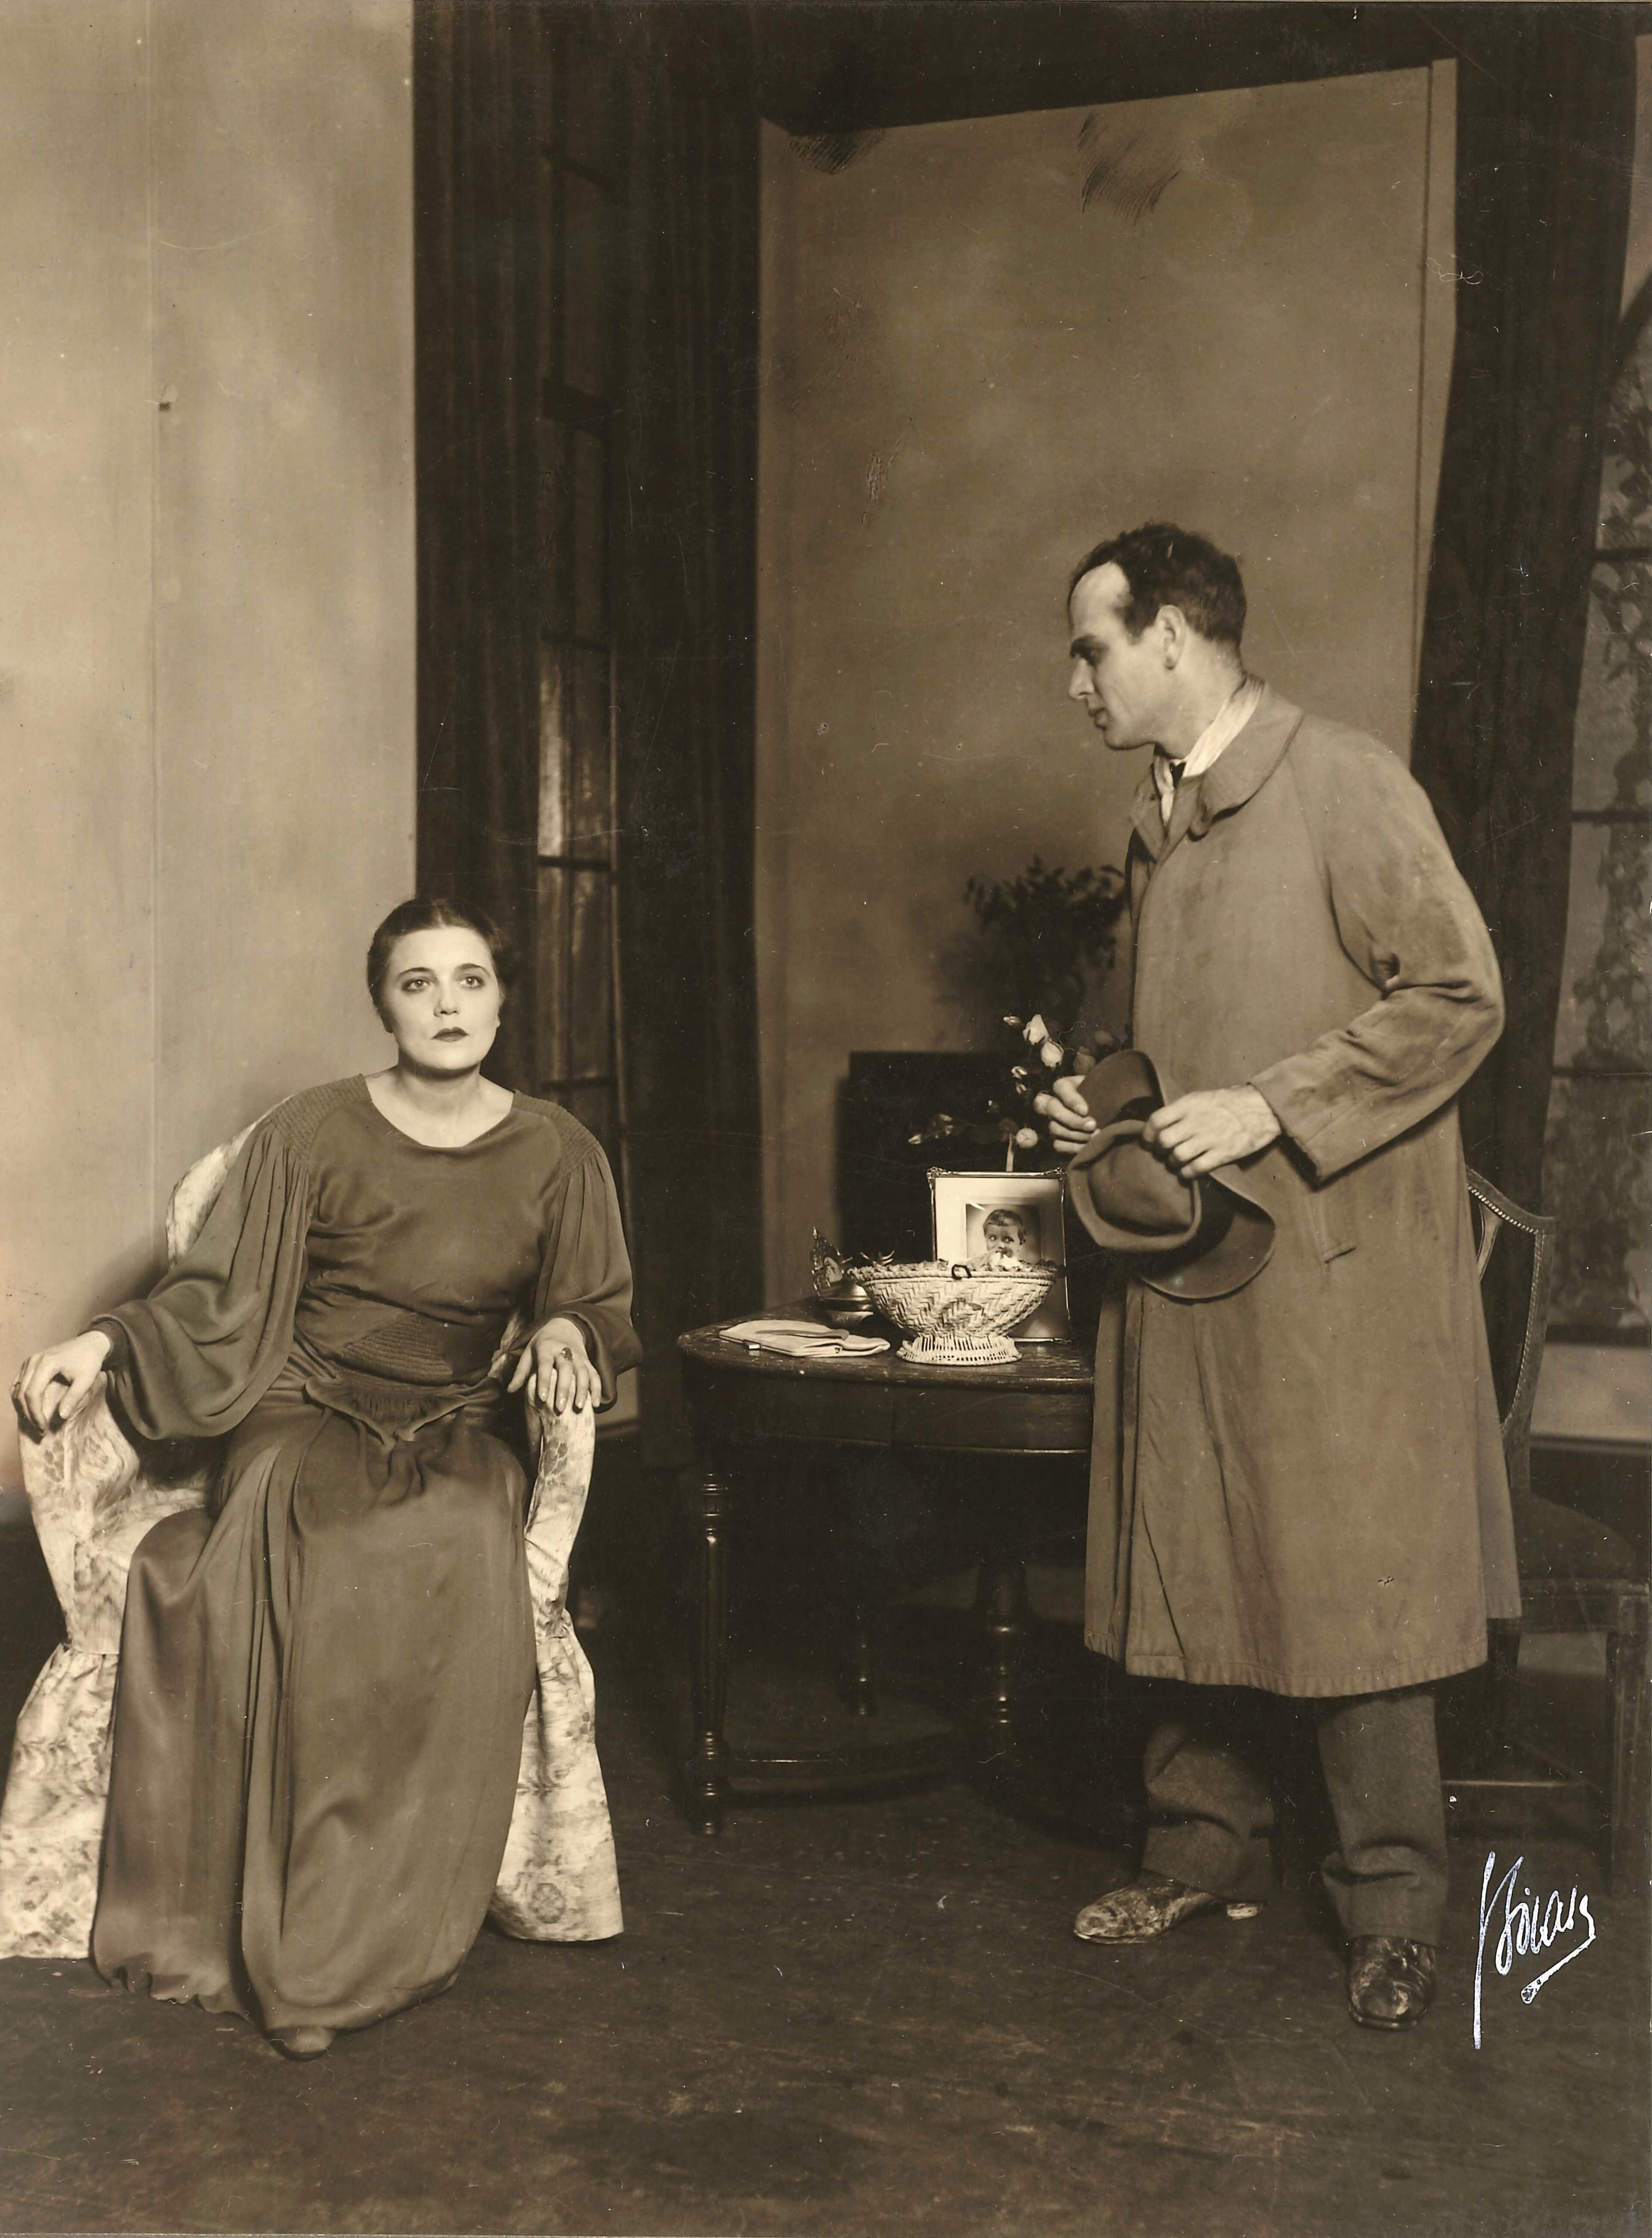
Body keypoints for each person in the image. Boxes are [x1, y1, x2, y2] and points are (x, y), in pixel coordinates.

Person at [12, 897, 640, 2059]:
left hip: (457, 1417)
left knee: (463, 1532)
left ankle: (369, 1932)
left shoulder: (560, 1149)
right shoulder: (309, 1129)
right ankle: (283, 1937)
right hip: (300, 1406)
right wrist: (102, 1342)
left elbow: (592, 1298)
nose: (447, 1005)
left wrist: (568, 1329)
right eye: (417, 983)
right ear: (383, 1005)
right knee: (318, 1544)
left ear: (503, 998)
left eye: (469, 980)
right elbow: (217, 1294)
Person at [1036, 523, 1514, 2031]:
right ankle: (1200, 1847)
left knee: (1351, 1579)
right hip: (1193, 1266)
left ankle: (1395, 1905)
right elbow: (1177, 1045)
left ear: (1173, 635)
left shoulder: (1342, 778)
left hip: (1332, 1274)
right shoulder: (1158, 815)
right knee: (1189, 1541)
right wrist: (1103, 1108)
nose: (1076, 683)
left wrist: (1270, 1106)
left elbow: (1460, 996)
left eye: (1092, 649)